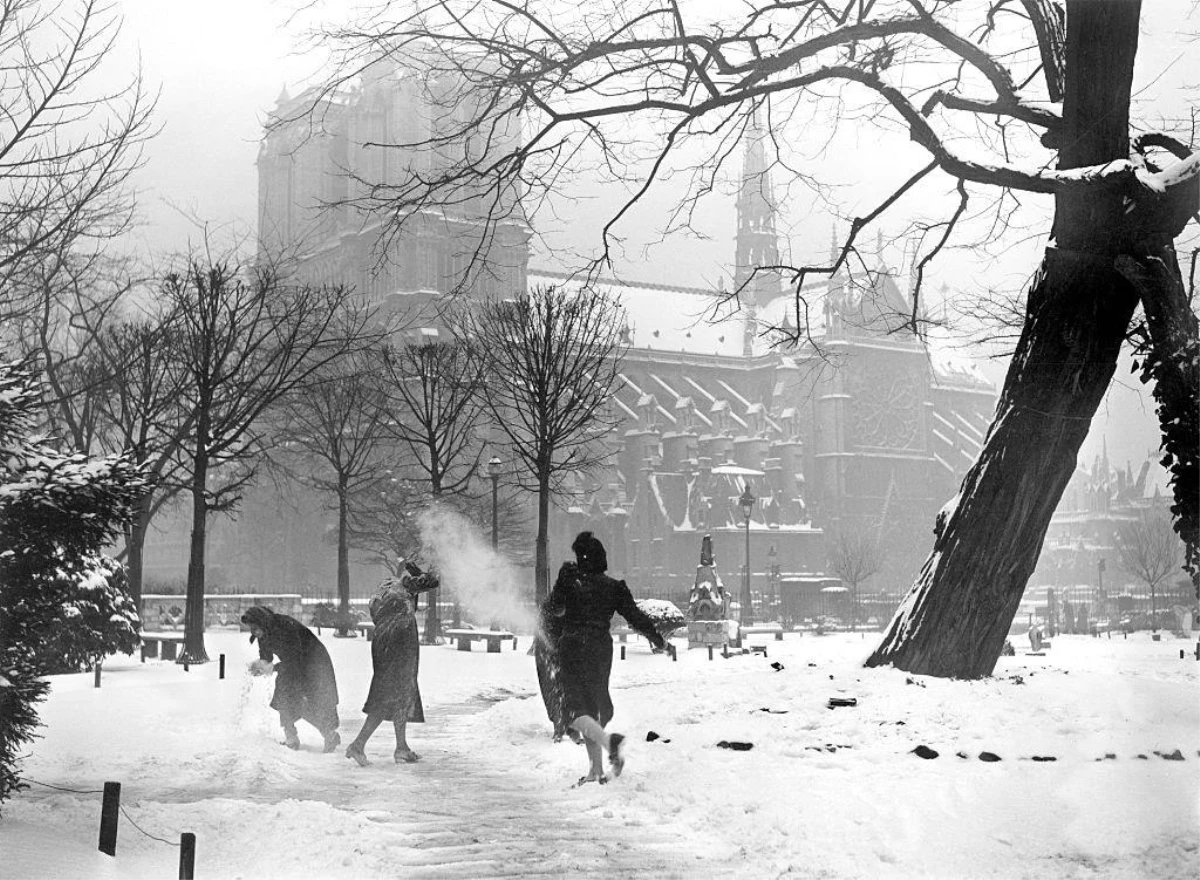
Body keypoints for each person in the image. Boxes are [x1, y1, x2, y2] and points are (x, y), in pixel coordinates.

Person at [540, 531, 666, 786]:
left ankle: (610, 743)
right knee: (590, 710)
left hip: (573, 646)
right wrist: (656, 637)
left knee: (573, 712)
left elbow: (552, 609)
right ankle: (596, 770)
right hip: (599, 649)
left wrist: (561, 583)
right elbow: (635, 616)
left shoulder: (571, 581)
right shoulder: (613, 587)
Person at [345, 562, 439, 766]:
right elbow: (432, 581)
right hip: (401, 644)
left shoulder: (383, 592)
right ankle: (358, 745)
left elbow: (377, 616)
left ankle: (401, 747)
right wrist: (420, 574)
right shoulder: (403, 585)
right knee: (389, 695)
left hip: (383, 644)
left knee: (398, 694)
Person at [241, 606, 341, 752]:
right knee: (283, 695)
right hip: (294, 663)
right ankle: (291, 737)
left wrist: (273, 668)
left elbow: (295, 656)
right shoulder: (263, 634)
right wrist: (260, 666)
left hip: (314, 662)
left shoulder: (285, 626)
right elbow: (266, 657)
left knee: (307, 701)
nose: (254, 632)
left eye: (255, 628)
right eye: (251, 628)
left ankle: (329, 734)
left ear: (262, 622)